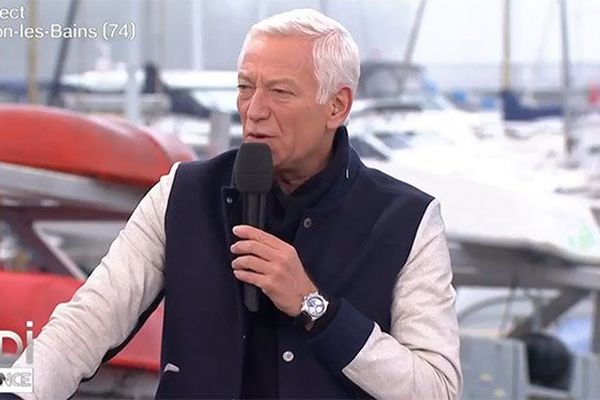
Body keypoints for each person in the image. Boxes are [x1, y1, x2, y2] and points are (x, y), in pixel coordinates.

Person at [9, 8, 461, 399]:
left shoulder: (407, 221)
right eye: (246, 87)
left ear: (337, 107)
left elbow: (437, 388)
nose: (254, 110)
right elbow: (84, 324)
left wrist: (315, 307)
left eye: (280, 92)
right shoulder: (183, 193)